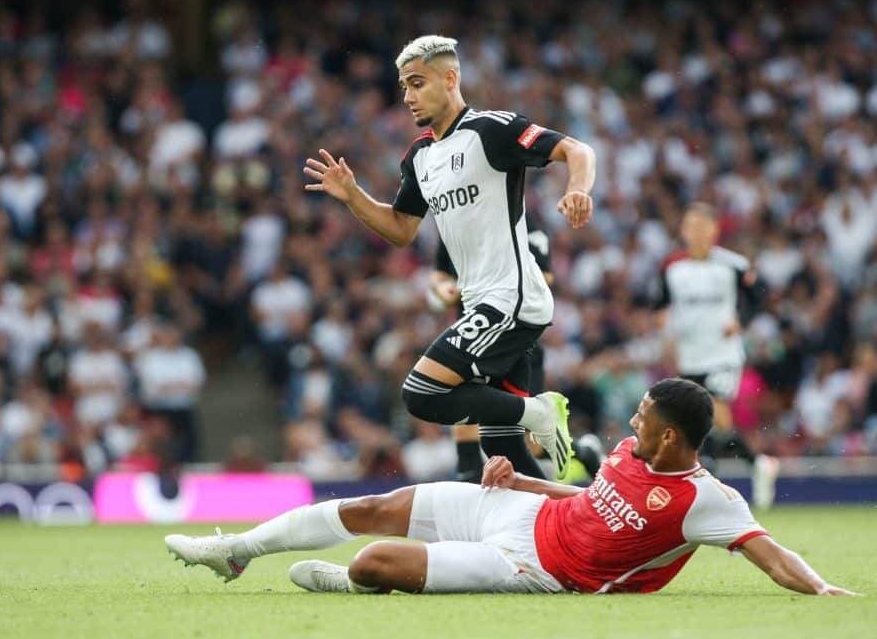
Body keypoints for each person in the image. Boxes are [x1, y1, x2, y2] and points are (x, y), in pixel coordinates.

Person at [164, 379, 856, 597]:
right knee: (375, 507)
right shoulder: (627, 452)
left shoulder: (707, 500)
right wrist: (522, 478)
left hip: (531, 567)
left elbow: (771, 554)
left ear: (672, 436)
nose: (631, 421)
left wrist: (821, 589)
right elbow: (589, 502)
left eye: (644, 416)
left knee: (373, 563)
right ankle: (236, 550)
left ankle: (350, 584)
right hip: (519, 509)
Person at [303, 35, 596, 479]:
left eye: (417, 83)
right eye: (404, 87)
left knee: (421, 393)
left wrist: (578, 190)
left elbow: (577, 149)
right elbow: (401, 228)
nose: (408, 97)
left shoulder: (490, 130)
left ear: (450, 78)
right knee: (501, 448)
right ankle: (579, 511)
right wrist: (353, 196)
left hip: (511, 299)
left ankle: (540, 412)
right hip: (481, 304)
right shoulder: (420, 156)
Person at [430, 231, 603, 482]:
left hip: (514, 342)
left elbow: (545, 276)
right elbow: (439, 274)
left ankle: (582, 453)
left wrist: (482, 281)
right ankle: (469, 472)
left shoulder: (519, 222)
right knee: (465, 408)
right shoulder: (453, 218)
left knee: (524, 441)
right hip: (470, 338)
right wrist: (443, 288)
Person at [655, 203, 779, 508]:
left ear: (714, 230)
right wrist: (664, 327)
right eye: (690, 226)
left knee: (715, 412)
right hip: (689, 356)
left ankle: (706, 488)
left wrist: (741, 320)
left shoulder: (733, 265)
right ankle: (757, 463)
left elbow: (759, 296)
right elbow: (662, 304)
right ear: (683, 230)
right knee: (702, 422)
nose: (696, 232)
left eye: (702, 225)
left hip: (723, 354)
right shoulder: (672, 268)